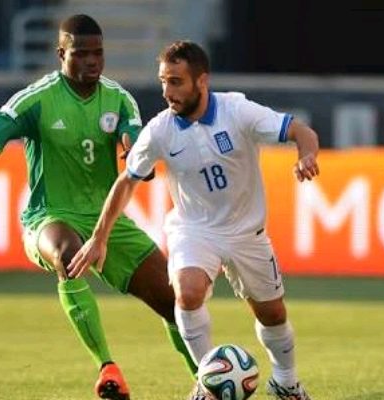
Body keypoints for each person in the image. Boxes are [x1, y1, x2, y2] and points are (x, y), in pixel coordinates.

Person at [0, 15, 196, 400]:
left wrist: (135, 156)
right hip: (49, 218)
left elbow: (132, 140)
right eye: (81, 53)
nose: (92, 61)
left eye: (98, 53)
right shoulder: (36, 99)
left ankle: (205, 381)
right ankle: (108, 369)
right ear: (60, 54)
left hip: (107, 222)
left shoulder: (119, 98)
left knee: (175, 304)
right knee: (68, 254)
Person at [68, 40, 319, 400]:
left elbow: (301, 132)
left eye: (176, 82)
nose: (167, 91)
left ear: (201, 81)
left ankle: (286, 381)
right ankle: (207, 381)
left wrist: (306, 155)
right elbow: (126, 182)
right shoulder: (160, 130)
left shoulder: (237, 110)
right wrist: (99, 237)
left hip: (246, 232)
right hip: (194, 229)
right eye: (163, 82)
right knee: (186, 294)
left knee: (272, 314)